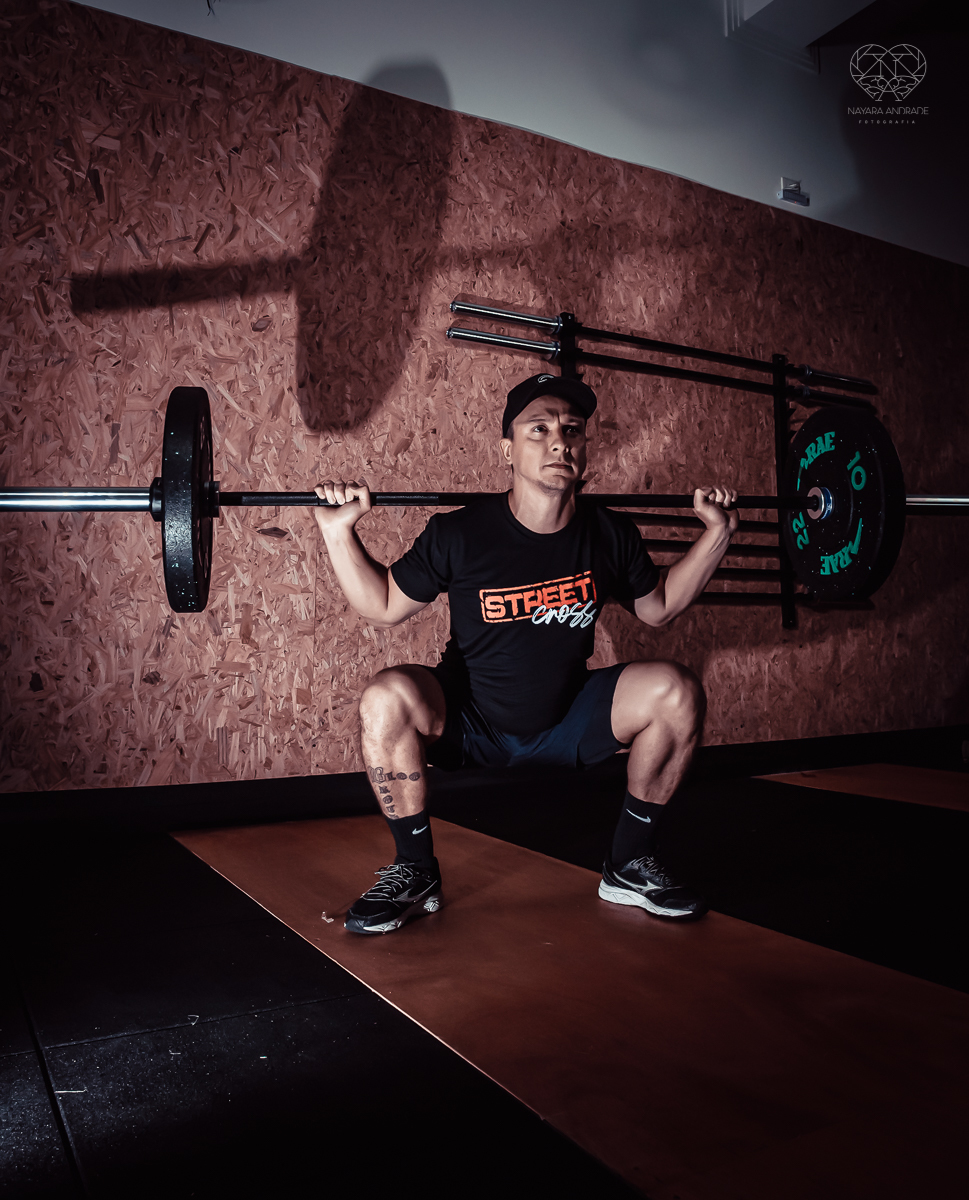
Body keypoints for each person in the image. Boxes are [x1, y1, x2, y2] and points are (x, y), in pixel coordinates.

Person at [314, 373, 738, 935]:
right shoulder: (460, 534)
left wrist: (717, 534)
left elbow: (657, 608)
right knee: (384, 697)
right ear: (507, 449)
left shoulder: (609, 534)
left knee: (677, 690)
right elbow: (385, 604)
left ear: (584, 449)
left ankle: (630, 864)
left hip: (568, 719)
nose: (559, 440)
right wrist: (339, 531)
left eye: (572, 429)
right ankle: (415, 870)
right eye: (538, 429)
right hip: (471, 721)